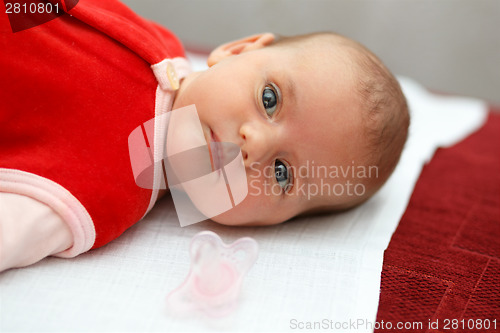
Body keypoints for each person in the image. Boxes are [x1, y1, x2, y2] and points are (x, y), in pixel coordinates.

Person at [0, 0, 409, 272]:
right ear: (238, 50)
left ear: (271, 224)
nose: (256, 146)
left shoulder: (106, 195)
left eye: (282, 173)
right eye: (270, 99)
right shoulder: (159, 43)